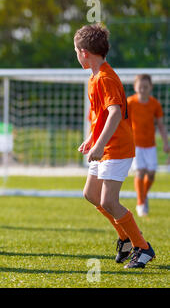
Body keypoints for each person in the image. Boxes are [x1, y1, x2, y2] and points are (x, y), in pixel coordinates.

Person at [74, 24, 155, 269]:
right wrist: (91, 139)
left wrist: (98, 145)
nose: (77, 56)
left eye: (76, 51)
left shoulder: (106, 77)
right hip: (104, 146)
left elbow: (115, 114)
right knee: (91, 195)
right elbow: (100, 117)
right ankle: (125, 238)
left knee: (109, 201)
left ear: (85, 52)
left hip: (117, 147)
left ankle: (143, 247)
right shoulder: (94, 77)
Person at [127, 74, 169, 217]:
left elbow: (161, 125)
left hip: (150, 145)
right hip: (135, 144)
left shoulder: (155, 104)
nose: (143, 90)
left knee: (151, 174)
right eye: (140, 87)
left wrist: (165, 143)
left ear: (150, 87)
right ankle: (140, 203)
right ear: (135, 87)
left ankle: (143, 195)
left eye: (146, 87)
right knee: (140, 171)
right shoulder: (130, 103)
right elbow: (122, 122)